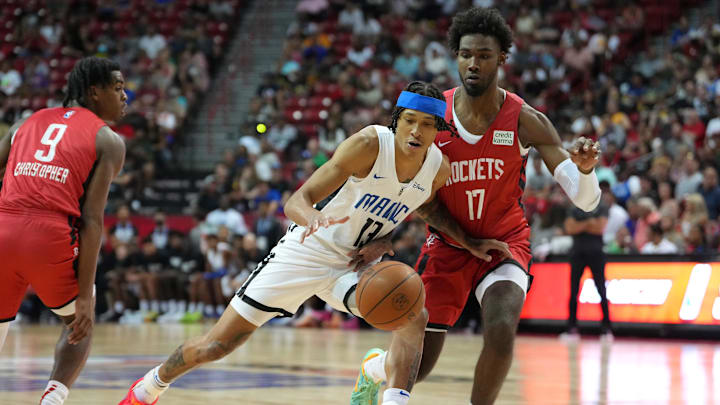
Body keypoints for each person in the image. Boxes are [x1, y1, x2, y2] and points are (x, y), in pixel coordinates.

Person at [118, 81, 452, 405]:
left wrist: (385, 239)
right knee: (217, 345)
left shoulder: (437, 170)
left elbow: (411, 203)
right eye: (409, 120)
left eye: (426, 124)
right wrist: (313, 218)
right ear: (397, 120)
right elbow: (296, 201)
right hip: (307, 251)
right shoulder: (370, 145)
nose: (415, 131)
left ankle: (376, 375)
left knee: (413, 316)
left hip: (354, 265)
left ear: (437, 128)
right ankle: (148, 388)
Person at [356, 8, 602, 405]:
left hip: (503, 244)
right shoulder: (432, 118)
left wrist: (586, 171)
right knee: (421, 366)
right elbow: (403, 184)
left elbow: (585, 199)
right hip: (448, 244)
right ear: (455, 56)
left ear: (502, 58)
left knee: (502, 330)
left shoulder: (526, 120)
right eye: (466, 54)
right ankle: (375, 368)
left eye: (484, 55)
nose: (474, 63)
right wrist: (382, 234)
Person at [0, 56, 127, 405]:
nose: (125, 96)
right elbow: (91, 221)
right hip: (50, 235)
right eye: (117, 88)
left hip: (2, 227)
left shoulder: (22, 124)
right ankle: (52, 400)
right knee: (78, 322)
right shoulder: (109, 141)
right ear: (93, 92)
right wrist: (85, 296)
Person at [561, 203, 612, 340]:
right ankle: (571, 327)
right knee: (573, 291)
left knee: (602, 290)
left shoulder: (601, 206)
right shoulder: (574, 208)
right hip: (577, 253)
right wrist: (589, 223)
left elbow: (600, 228)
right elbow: (570, 228)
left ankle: (606, 329)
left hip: (596, 253)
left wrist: (580, 225)